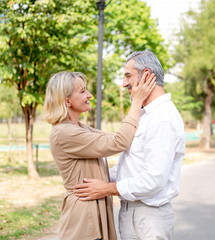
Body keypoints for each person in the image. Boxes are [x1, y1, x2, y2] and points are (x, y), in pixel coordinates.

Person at [74, 51, 186, 240]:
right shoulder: (145, 115)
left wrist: (107, 188)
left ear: (147, 76)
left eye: (128, 76)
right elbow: (131, 166)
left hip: (150, 218)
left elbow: (153, 179)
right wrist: (91, 177)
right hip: (131, 213)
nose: (124, 83)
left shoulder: (162, 118)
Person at [43, 70, 156, 240]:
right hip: (84, 219)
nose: (89, 95)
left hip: (95, 211)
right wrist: (137, 101)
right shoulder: (64, 132)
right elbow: (120, 142)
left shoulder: (80, 128)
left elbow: (117, 137)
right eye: (82, 91)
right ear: (67, 100)